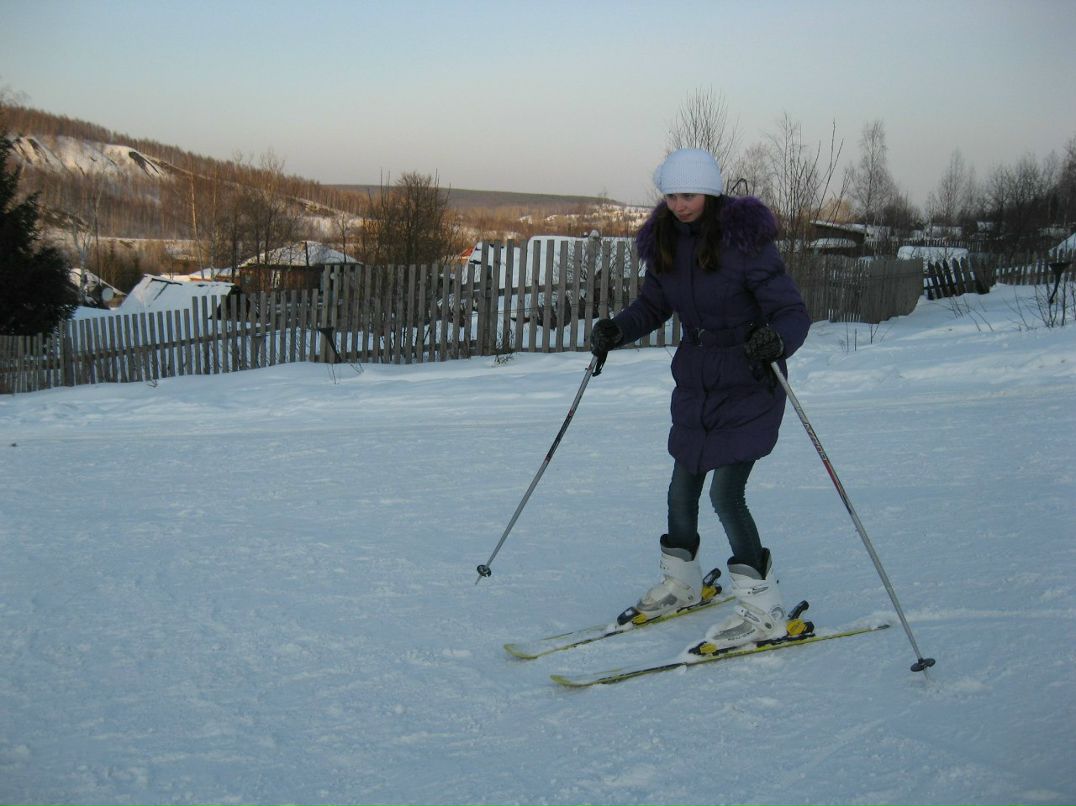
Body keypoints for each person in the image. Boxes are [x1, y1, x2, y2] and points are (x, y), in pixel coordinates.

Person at [590, 148, 811, 651]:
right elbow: (653, 304)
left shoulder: (746, 242)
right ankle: (682, 584)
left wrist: (776, 341)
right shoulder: (667, 242)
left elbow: (791, 311)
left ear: (709, 193)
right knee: (680, 487)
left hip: (749, 375)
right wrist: (616, 331)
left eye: (687, 195)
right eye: (670, 195)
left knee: (725, 495)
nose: (678, 204)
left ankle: (763, 609)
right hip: (696, 380)